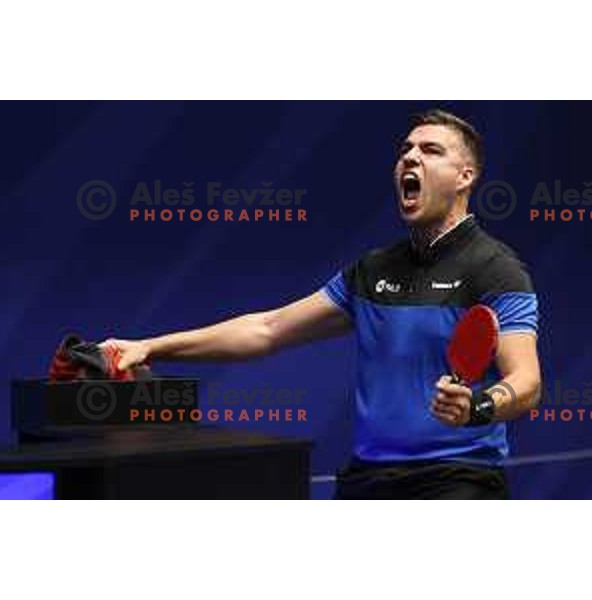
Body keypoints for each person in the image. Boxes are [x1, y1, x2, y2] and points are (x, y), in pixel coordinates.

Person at [103, 109, 541, 500]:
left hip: (457, 479)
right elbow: (268, 329)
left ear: (465, 176)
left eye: (430, 150)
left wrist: (476, 407)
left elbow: (526, 382)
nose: (410, 158)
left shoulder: (495, 269)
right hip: (368, 479)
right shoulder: (372, 270)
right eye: (405, 149)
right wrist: (150, 347)